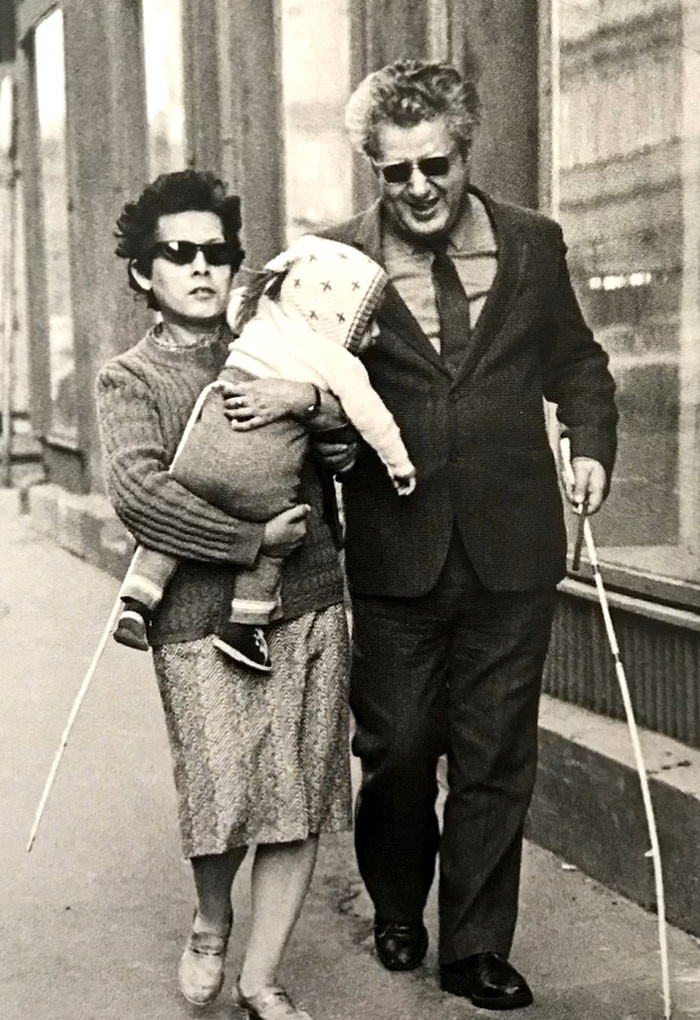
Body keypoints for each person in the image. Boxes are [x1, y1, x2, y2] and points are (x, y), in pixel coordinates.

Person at [322, 59, 618, 1010]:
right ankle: (400, 900)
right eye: (394, 171)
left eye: (435, 166)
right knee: (400, 749)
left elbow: (579, 363)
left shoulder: (535, 244)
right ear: (374, 167)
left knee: (497, 754)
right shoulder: (337, 262)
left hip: (514, 548)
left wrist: (591, 445)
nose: (417, 188)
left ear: (466, 149)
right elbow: (293, 380)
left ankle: (475, 946)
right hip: (394, 553)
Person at [95, 169, 355, 1020]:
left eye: (218, 253)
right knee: (223, 790)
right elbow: (141, 496)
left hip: (309, 595)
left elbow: (343, 460)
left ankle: (261, 977)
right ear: (144, 272)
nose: (203, 268)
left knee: (299, 789)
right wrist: (246, 542)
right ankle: (212, 921)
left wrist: (314, 400)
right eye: (179, 253)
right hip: (195, 619)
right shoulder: (128, 379)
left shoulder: (280, 341)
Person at [114, 234, 416, 673]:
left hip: (206, 445)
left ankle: (137, 599)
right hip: (263, 472)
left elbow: (237, 303)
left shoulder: (263, 315)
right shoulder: (339, 360)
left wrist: (279, 279)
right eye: (366, 321)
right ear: (339, 318)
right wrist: (399, 464)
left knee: (188, 497)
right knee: (276, 535)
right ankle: (245, 625)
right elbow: (373, 420)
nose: (374, 334)